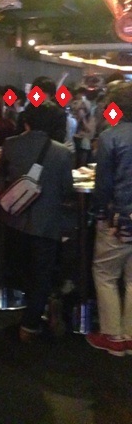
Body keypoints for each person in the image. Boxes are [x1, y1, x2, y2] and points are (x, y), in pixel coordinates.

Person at [0, 101, 74, 342]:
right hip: (46, 222)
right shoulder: (62, 152)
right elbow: (67, 189)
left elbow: (2, 174)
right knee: (42, 272)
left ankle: (34, 307)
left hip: (14, 219)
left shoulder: (10, 144)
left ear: (27, 121)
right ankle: (30, 325)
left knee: (22, 267)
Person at [86, 82, 132, 356]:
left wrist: (99, 212)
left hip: (118, 218)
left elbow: (103, 184)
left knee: (105, 274)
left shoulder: (110, 137)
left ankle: (113, 337)